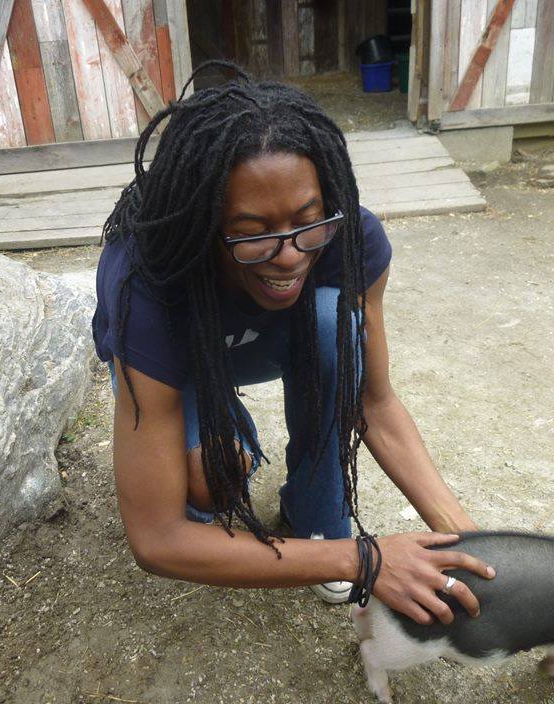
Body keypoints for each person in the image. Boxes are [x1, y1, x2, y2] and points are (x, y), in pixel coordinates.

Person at [92, 63, 494, 624]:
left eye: (309, 222)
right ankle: (225, 442)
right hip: (186, 356)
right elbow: (156, 540)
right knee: (214, 479)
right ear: (202, 227)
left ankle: (312, 510)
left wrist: (473, 543)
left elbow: (374, 403)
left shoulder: (351, 240)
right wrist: (366, 560)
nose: (290, 256)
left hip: (279, 342)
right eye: (253, 235)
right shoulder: (148, 284)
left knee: (338, 326)